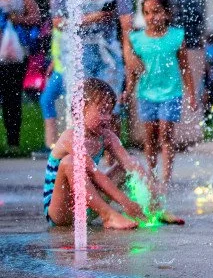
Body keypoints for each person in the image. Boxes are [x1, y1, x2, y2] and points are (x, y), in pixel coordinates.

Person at [44, 78, 185, 228]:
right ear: (81, 109)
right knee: (70, 162)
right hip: (61, 213)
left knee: (132, 162)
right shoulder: (70, 138)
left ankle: (154, 209)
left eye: (110, 112)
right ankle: (108, 215)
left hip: (88, 206)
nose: (107, 118)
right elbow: (95, 174)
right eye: (102, 111)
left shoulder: (106, 137)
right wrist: (126, 203)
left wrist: (147, 197)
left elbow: (130, 165)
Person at [49, 0, 142, 119]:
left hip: (108, 51)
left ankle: (111, 147)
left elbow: (126, 26)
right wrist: (94, 17)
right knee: (80, 105)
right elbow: (58, 23)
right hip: (76, 51)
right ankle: (82, 148)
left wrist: (129, 56)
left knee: (110, 104)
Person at [125, 0, 196, 188]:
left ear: (167, 13)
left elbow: (184, 66)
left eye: (156, 12)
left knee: (166, 134)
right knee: (150, 137)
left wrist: (191, 94)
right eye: (147, 13)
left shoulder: (176, 36)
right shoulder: (137, 39)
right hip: (146, 94)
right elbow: (133, 69)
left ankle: (166, 176)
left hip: (171, 93)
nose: (151, 17)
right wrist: (128, 90)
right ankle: (152, 173)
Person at [0, 0, 40, 150]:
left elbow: (36, 16)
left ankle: (13, 142)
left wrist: (17, 19)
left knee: (12, 97)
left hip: (15, 54)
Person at [166, 0, 205, 104]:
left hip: (170, 51)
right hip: (192, 48)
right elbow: (200, 26)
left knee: (171, 89)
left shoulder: (164, 4)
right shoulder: (193, 3)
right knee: (192, 87)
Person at [39, 27, 67, 153]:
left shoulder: (63, 22)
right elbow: (59, 50)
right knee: (48, 101)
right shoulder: (58, 23)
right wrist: (53, 64)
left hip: (64, 72)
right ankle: (53, 144)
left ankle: (52, 144)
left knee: (47, 100)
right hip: (59, 69)